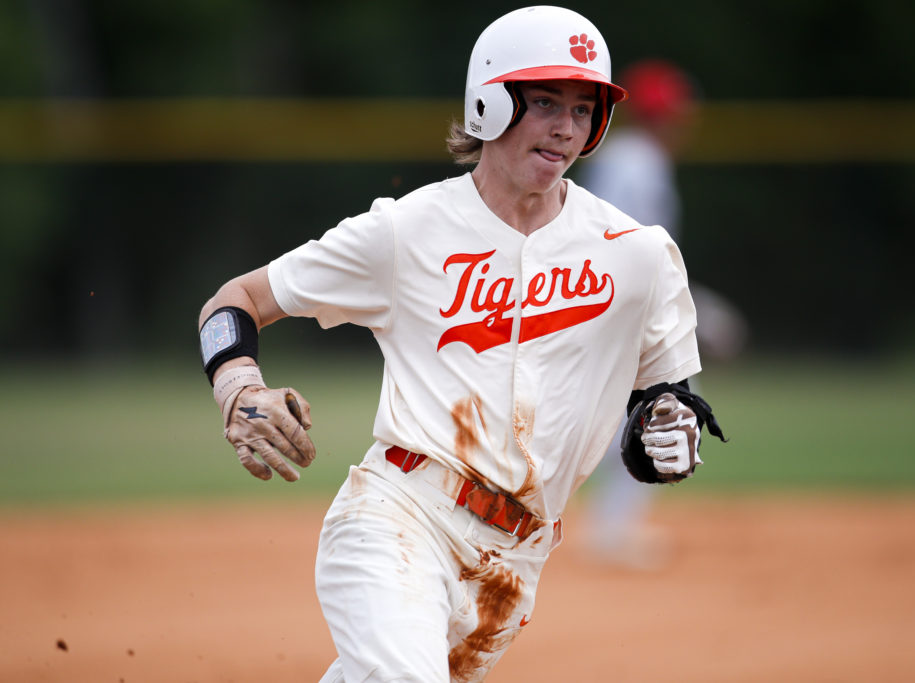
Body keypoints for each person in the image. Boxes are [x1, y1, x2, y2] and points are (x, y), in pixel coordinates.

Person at [196, 7, 724, 682]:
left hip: (513, 567)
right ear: (489, 103)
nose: (566, 126)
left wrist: (667, 434)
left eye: (584, 108)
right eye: (543, 102)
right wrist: (237, 385)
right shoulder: (409, 230)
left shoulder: (638, 255)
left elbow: (663, 403)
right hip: (398, 518)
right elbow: (234, 301)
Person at [576, 60, 743, 568]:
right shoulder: (639, 163)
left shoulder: (628, 157)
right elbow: (638, 245)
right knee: (665, 409)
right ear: (664, 116)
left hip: (609, 297)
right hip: (623, 302)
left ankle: (608, 526)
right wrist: (696, 311)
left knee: (625, 413)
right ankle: (611, 530)